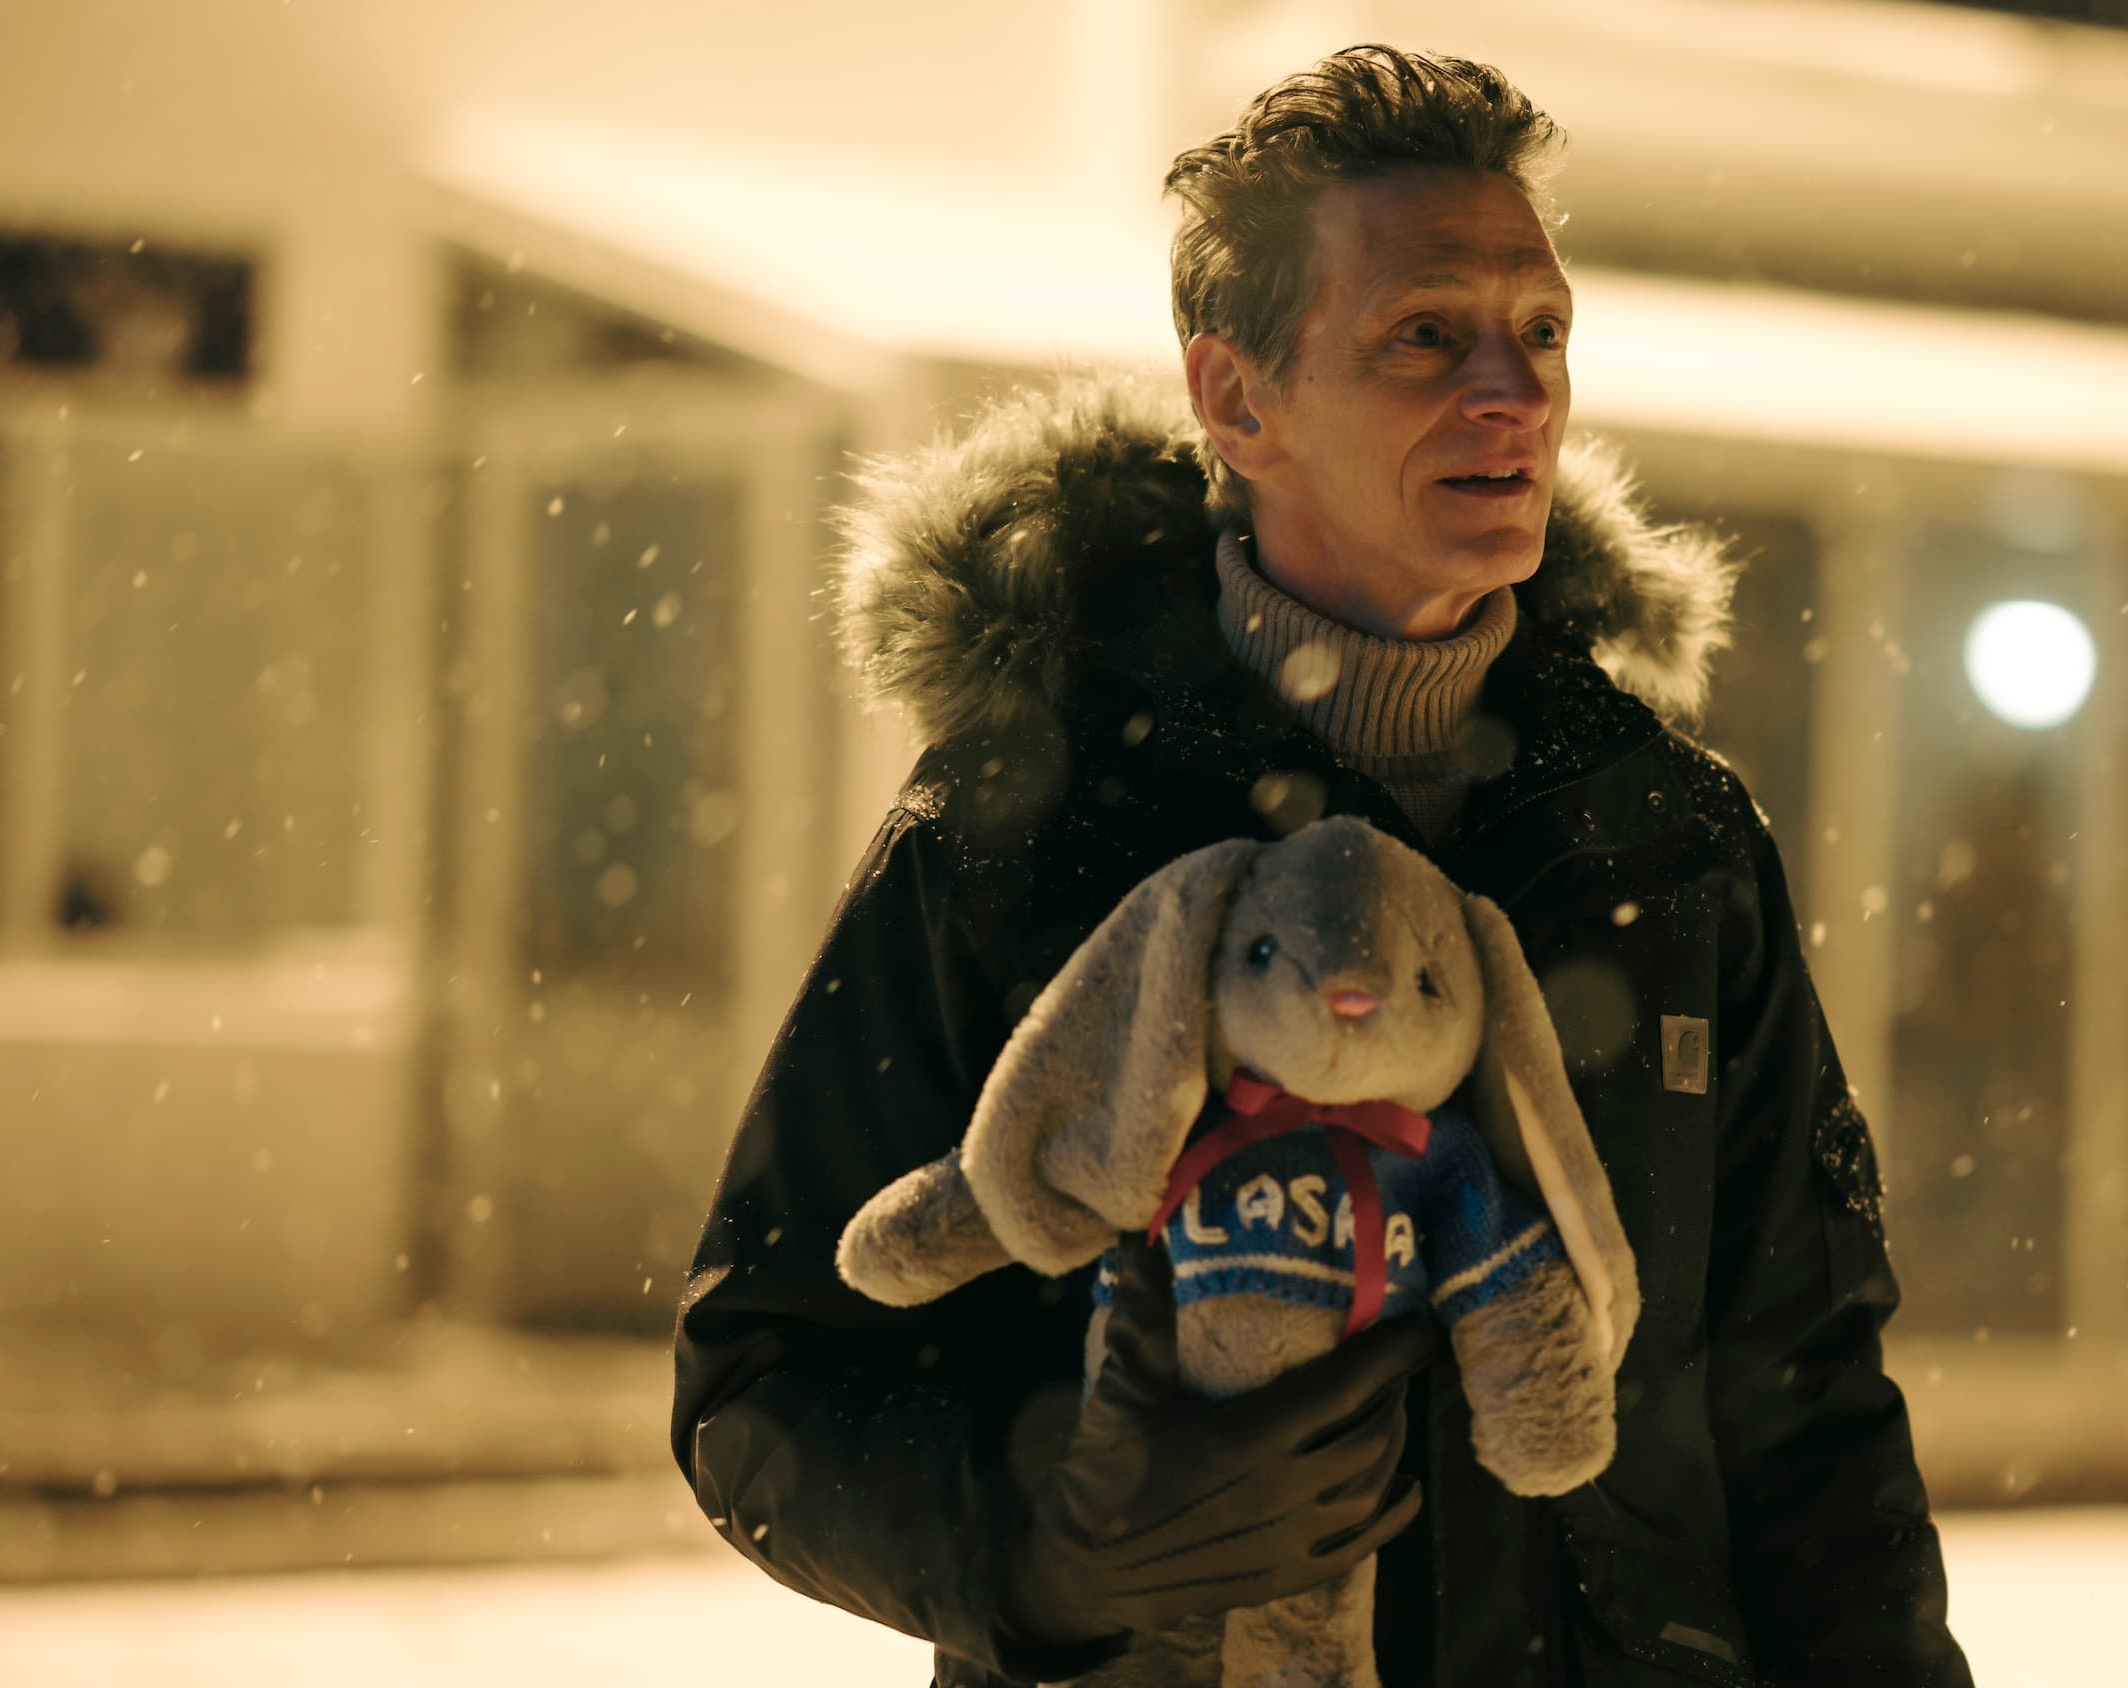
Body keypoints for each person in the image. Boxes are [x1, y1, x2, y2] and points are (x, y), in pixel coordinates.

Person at [670, 44, 1972, 1688]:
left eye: (1544, 331)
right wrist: (1047, 1559)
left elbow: (1811, 1411)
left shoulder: (1671, 836)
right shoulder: (1026, 826)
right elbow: (762, 1376)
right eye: (1427, 333)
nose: (1516, 392)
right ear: (1238, 400)